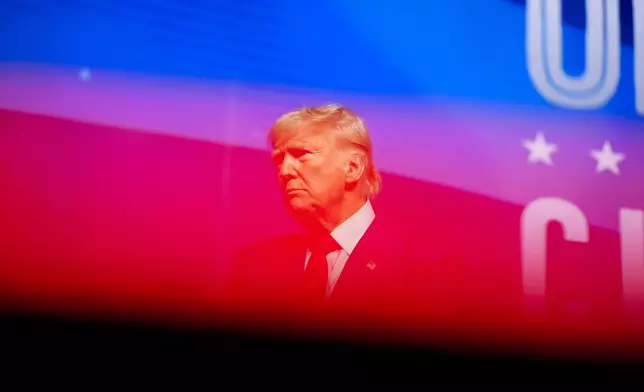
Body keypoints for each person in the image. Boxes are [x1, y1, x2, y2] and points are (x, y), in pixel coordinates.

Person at [226, 104, 466, 333]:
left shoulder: (425, 268)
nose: (285, 171)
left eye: (301, 154)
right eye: (279, 160)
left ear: (352, 167)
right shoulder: (254, 265)